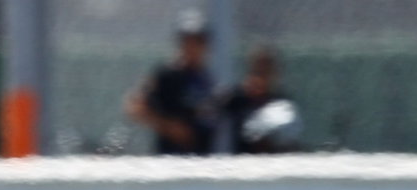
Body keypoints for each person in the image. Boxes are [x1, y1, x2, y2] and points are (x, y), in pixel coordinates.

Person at [126, 10, 217, 155]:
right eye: (188, 41)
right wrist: (169, 127)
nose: (192, 48)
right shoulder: (167, 74)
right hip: (171, 161)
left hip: (201, 161)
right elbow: (135, 106)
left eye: (198, 41)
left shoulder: (205, 78)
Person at [221, 46, 302, 153]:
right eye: (258, 71)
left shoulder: (282, 103)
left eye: (267, 71)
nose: (262, 76)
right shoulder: (237, 99)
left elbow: (290, 140)